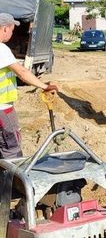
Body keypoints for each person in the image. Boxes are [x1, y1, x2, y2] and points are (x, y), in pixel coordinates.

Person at [0, 13, 58, 158]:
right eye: (12, 30)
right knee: (11, 150)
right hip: (2, 109)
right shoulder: (2, 50)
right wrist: (44, 86)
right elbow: (22, 73)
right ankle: (13, 181)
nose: (12, 34)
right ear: (5, 28)